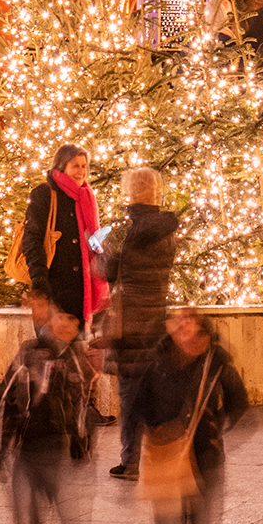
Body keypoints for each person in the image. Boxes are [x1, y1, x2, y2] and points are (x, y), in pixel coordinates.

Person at [130, 306, 249, 524]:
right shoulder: (158, 360)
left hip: (205, 458)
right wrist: (155, 429)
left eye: (189, 320)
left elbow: (239, 401)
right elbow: (139, 405)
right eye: (178, 320)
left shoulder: (217, 363)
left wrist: (217, 426)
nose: (181, 323)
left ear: (203, 332)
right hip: (167, 457)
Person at [0, 293, 97, 524]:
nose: (67, 325)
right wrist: (0, 445)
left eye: (74, 321)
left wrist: (82, 444)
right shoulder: (30, 352)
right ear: (52, 318)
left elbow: (83, 407)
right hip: (27, 455)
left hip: (61, 457)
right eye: (63, 317)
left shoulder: (77, 361)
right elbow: (5, 397)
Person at [101, 166, 182, 480]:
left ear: (132, 191)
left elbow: (120, 273)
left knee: (131, 397)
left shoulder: (135, 228)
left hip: (132, 322)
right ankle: (163, 458)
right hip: (155, 319)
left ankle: (131, 462)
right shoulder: (165, 228)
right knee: (153, 394)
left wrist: (103, 255)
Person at [20, 144, 106, 326]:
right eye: (75, 165)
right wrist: (40, 285)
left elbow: (93, 244)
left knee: (78, 352)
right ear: (61, 166)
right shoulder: (45, 194)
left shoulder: (86, 197)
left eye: (84, 166)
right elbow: (31, 241)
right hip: (53, 294)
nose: (81, 171)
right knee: (51, 352)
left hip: (81, 295)